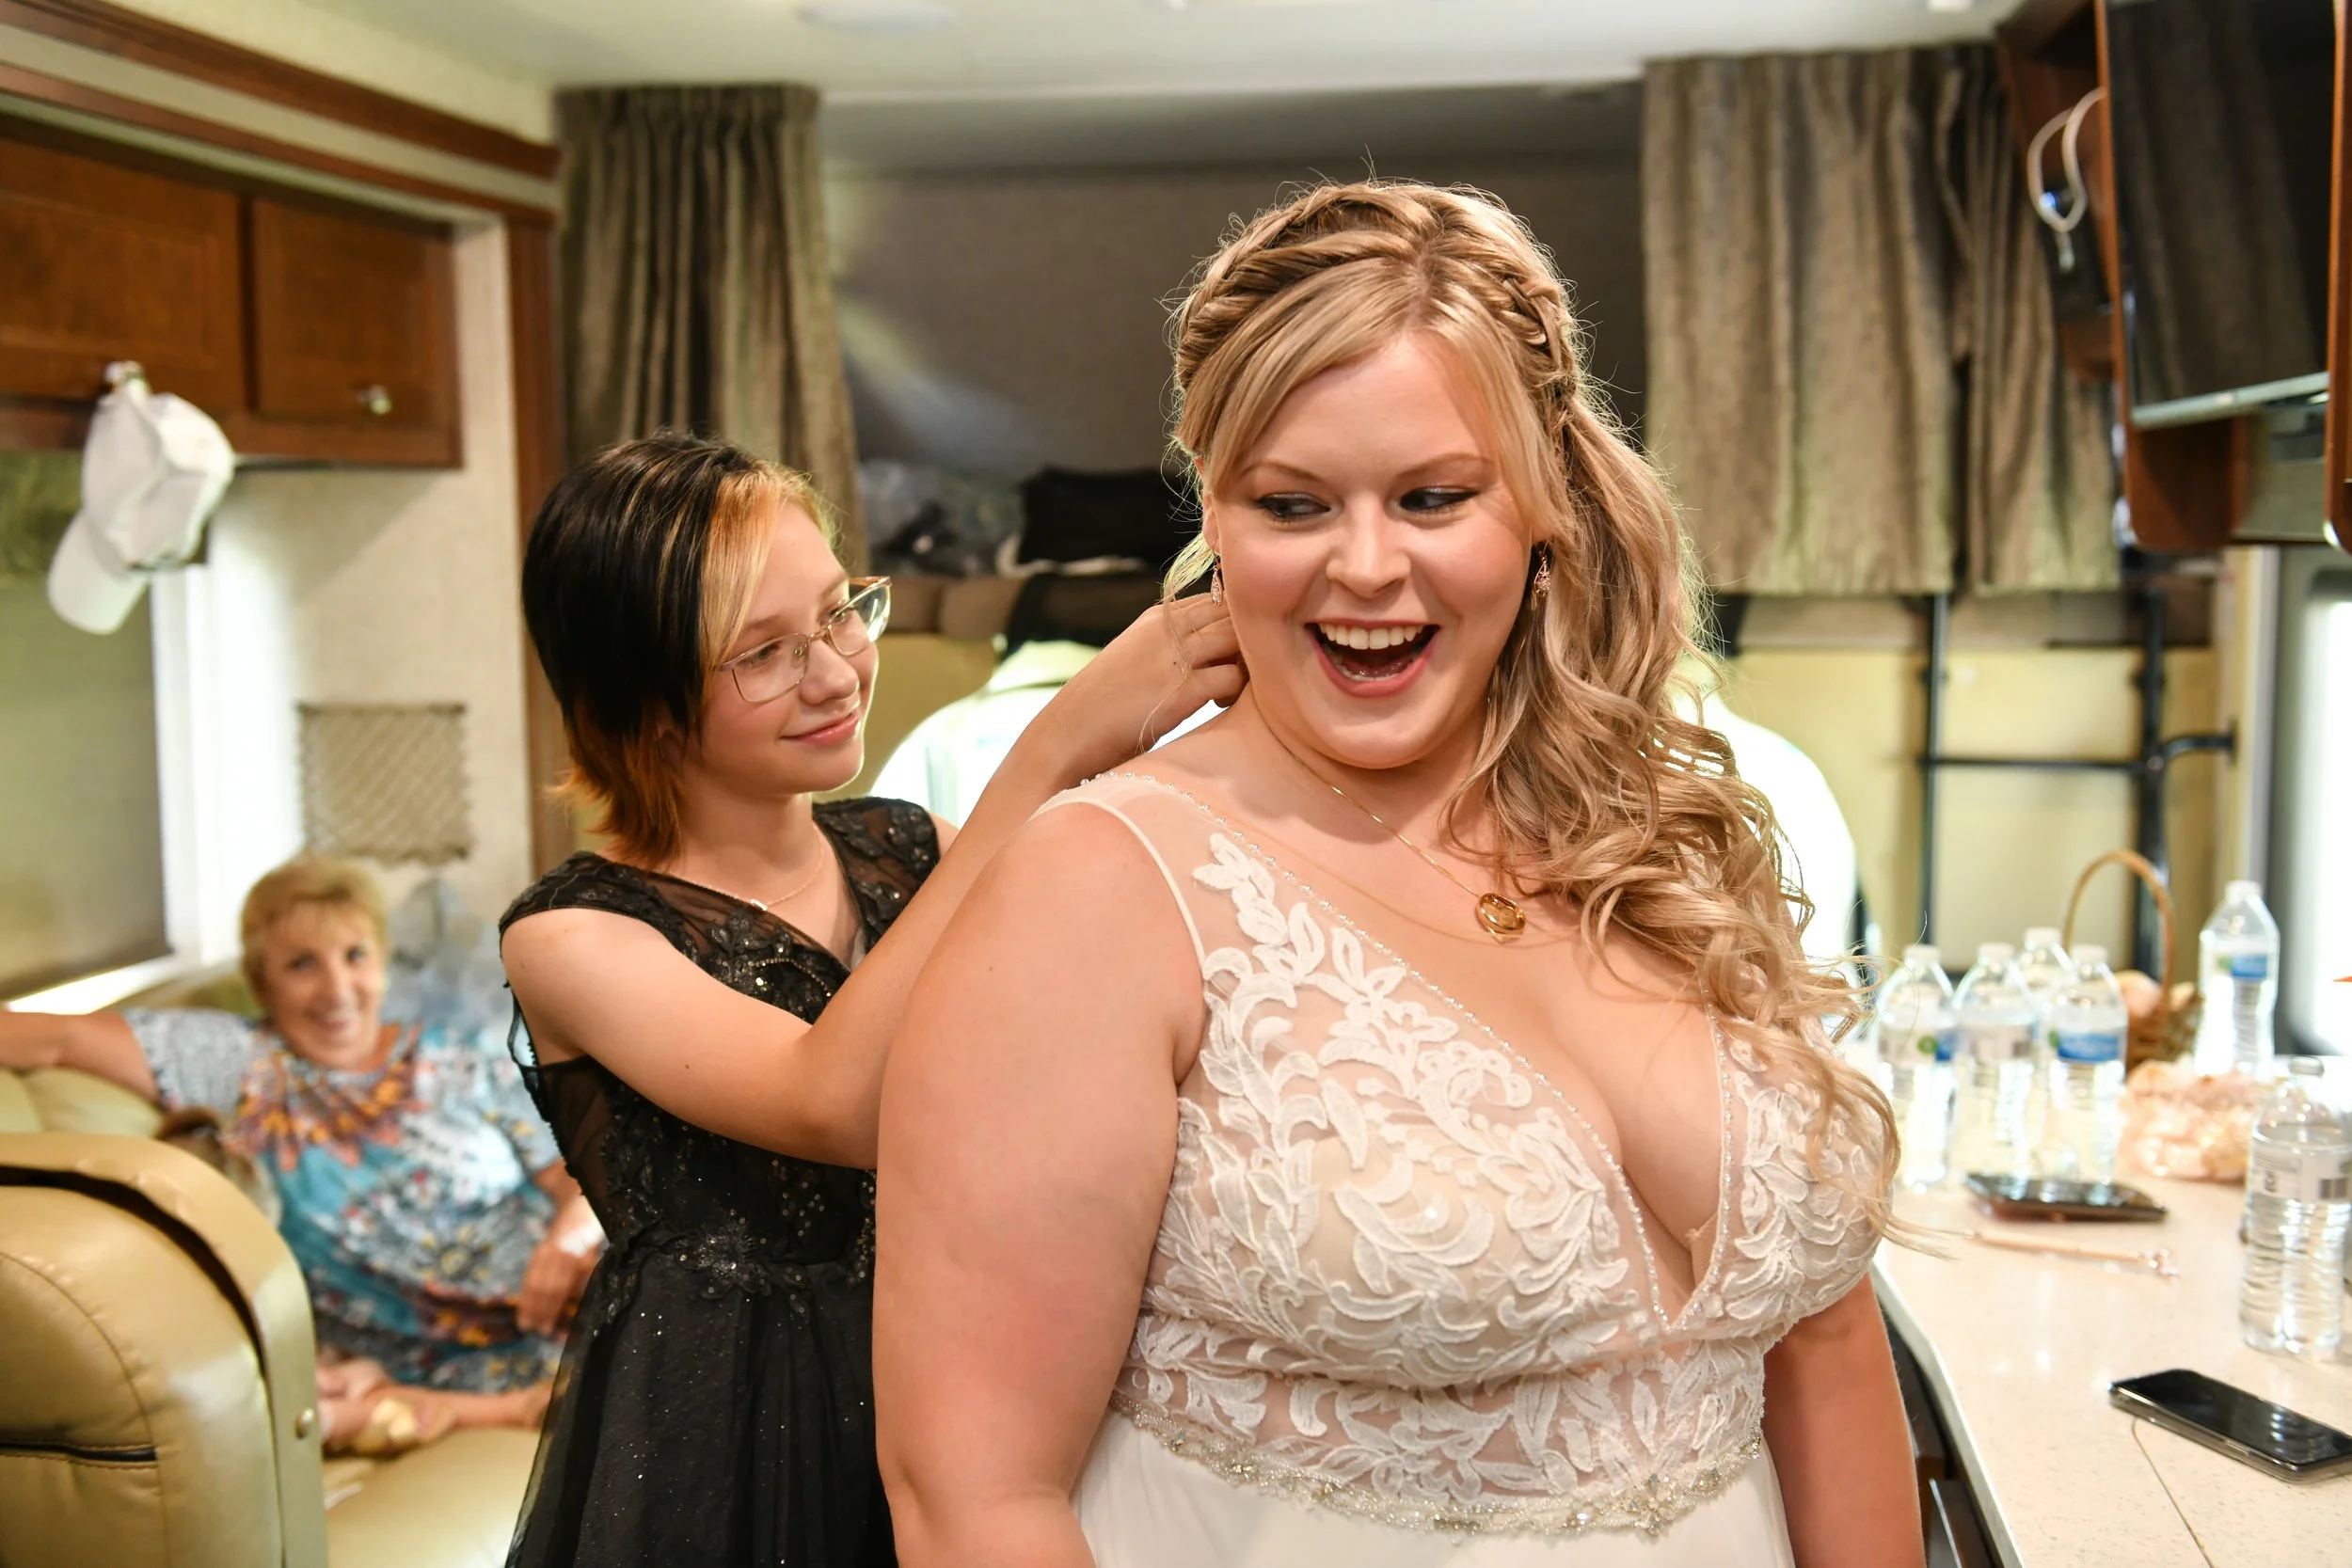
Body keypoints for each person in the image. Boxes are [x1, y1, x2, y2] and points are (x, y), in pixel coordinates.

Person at [874, 182, 1918, 1568]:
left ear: (1542, 501)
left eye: (1434, 496)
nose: (1366, 567)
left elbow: (1823, 1340)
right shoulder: (1102, 886)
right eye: (1291, 503)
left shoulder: (1657, 836)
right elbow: (973, 1493)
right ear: (1214, 514)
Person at [497, 434, 1240, 1567]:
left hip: (954, 1364)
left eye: (842, 611)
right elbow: (834, 1102)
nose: (837, 672)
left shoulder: (913, 847)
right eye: (765, 652)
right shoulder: (572, 935)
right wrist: (1049, 750)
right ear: (639, 693)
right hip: (728, 1415)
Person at [0, 857, 596, 1433]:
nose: (337, 990)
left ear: (383, 965)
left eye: (355, 956)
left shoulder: (464, 1059)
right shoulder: (238, 1063)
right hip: (463, 1374)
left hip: (588, 1295)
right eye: (302, 964)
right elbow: (58, 1039)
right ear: (262, 985)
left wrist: (567, 1240)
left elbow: (585, 1177)